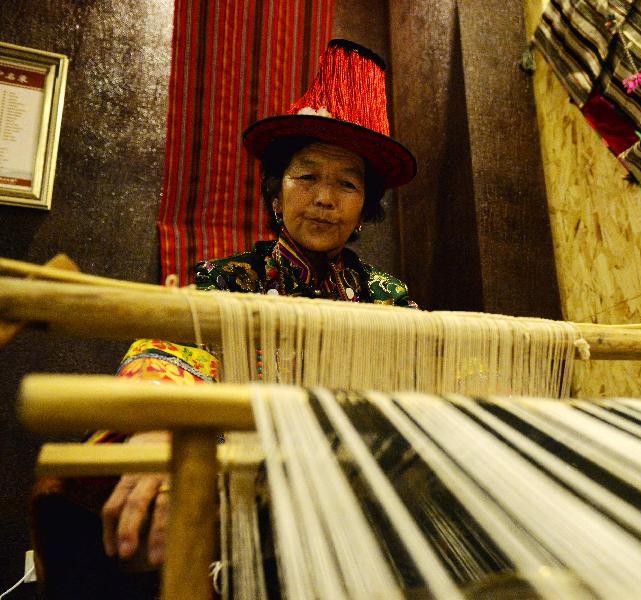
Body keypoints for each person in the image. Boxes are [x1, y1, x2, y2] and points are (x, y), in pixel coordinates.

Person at [33, 39, 418, 593]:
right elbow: (168, 352)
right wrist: (157, 426)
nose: (325, 198)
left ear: (364, 209)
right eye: (306, 176)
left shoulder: (388, 298)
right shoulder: (227, 280)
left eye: (347, 183)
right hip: (247, 492)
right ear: (276, 193)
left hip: (350, 495)